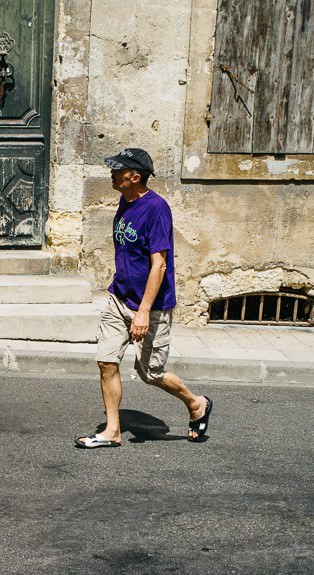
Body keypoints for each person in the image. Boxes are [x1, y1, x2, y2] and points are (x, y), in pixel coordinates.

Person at [75, 147, 212, 448]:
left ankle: (196, 403)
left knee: (150, 372)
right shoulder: (125, 201)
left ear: (134, 177)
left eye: (117, 170)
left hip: (151, 307)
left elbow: (159, 264)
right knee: (106, 361)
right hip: (120, 297)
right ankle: (112, 431)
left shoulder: (156, 209)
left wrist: (143, 311)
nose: (111, 173)